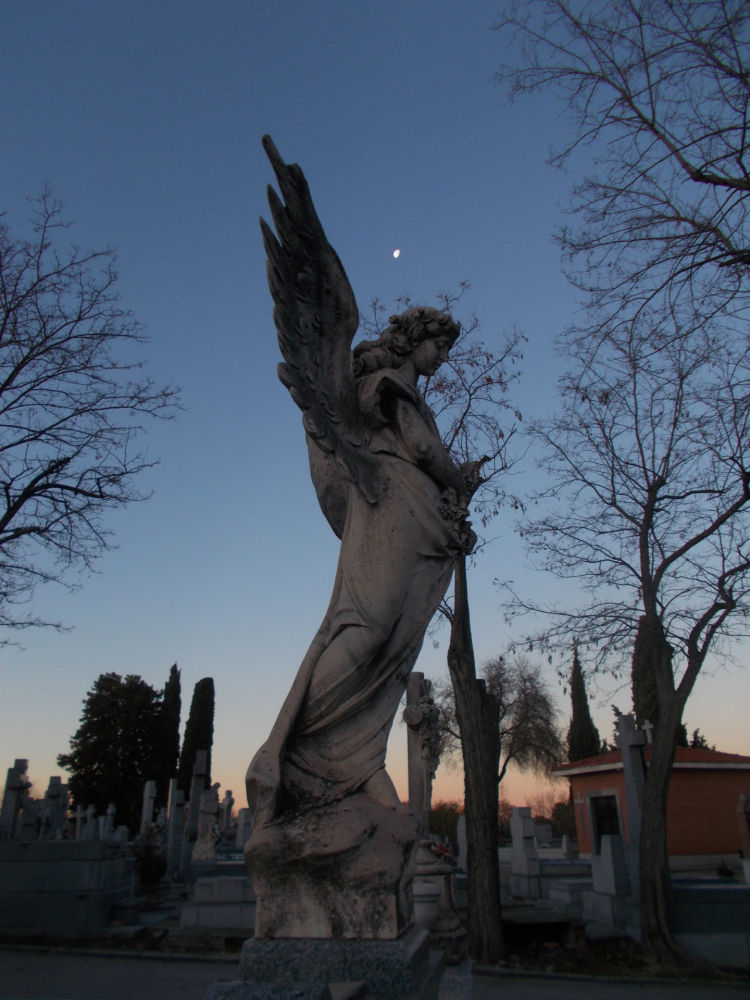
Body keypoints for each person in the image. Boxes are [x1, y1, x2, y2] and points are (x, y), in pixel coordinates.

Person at [246, 307, 480, 826]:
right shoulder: (386, 385)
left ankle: (355, 763)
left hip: (417, 519)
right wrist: (457, 479)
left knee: (395, 646)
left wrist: (452, 491)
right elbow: (422, 448)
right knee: (369, 626)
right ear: (413, 340)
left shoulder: (410, 393)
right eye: (439, 346)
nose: (444, 358)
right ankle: (296, 748)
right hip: (388, 506)